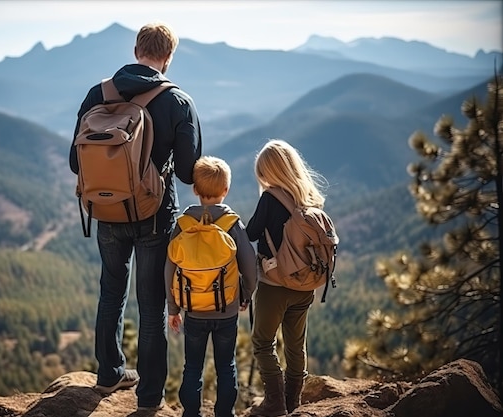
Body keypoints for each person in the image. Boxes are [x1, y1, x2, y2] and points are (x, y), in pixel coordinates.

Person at [68, 22, 202, 410]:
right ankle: (149, 398)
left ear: (135, 50)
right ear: (169, 55)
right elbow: (188, 172)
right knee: (151, 306)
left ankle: (108, 375)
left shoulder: (99, 94)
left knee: (111, 292)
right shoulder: (177, 102)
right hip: (154, 215)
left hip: (106, 210)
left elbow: (76, 162)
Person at [165, 156, 257, 417]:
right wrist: (246, 295)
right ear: (225, 190)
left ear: (195, 189)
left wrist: (173, 308)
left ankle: (191, 413)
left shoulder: (183, 224)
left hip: (193, 310)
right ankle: (224, 414)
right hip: (226, 309)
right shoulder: (231, 224)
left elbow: (169, 269)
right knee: (226, 366)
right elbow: (249, 267)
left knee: (192, 366)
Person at [245, 139, 327, 416]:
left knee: (263, 342)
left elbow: (252, 233)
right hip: (306, 285)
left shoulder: (269, 198)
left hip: (275, 285)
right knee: (296, 345)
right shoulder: (310, 198)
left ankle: (275, 402)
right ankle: (294, 402)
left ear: (270, 172)